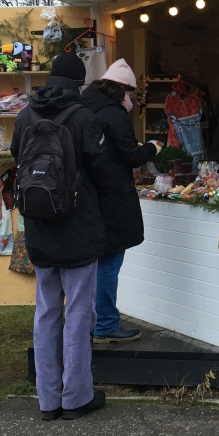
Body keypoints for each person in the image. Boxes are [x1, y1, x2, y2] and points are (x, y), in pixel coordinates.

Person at [11, 52, 115, 421]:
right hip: (79, 228)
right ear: (79, 82)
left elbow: (15, 160)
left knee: (46, 313)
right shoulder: (84, 117)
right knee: (79, 313)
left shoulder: (25, 116)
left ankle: (47, 399)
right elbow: (102, 172)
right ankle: (76, 398)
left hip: (39, 227)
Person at [81, 59, 163, 343]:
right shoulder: (113, 114)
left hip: (88, 196)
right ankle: (105, 324)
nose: (131, 100)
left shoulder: (84, 108)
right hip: (112, 197)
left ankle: (91, 323)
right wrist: (153, 147)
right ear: (121, 90)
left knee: (93, 264)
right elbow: (131, 156)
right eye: (130, 93)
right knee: (109, 263)